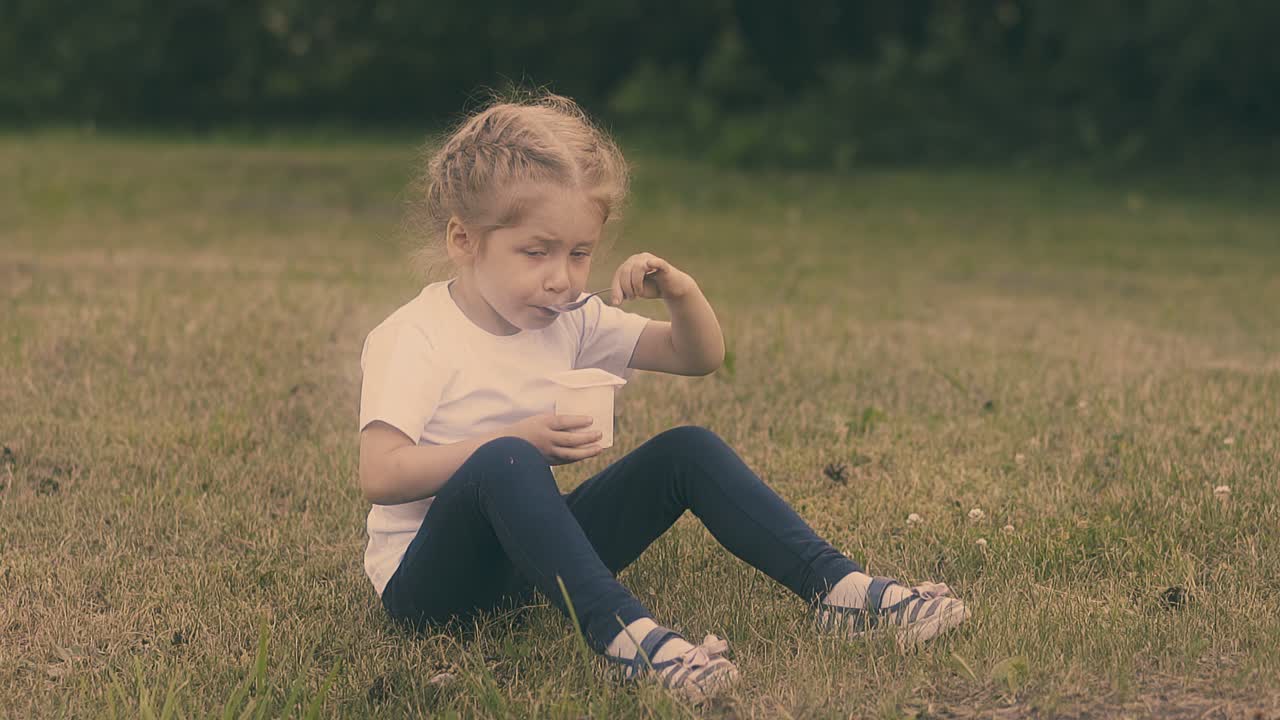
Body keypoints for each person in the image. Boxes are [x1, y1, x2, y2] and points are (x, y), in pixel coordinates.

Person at [357, 91, 969, 703]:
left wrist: (680, 293)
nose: (561, 278)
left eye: (579, 254)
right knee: (505, 459)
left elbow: (695, 356)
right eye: (535, 252)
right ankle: (629, 641)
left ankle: (840, 591)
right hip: (433, 588)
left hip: (532, 569)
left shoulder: (569, 318)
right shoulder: (416, 337)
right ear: (464, 240)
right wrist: (515, 441)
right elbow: (380, 474)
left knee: (686, 449)